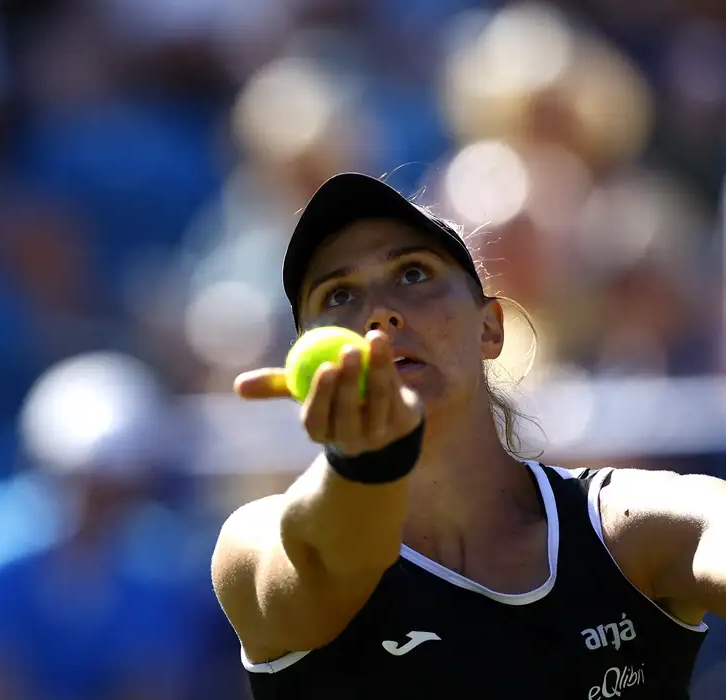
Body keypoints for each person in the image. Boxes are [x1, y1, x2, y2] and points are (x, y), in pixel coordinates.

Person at [210, 172, 726, 698]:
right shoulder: (253, 544)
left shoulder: (635, 528)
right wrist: (368, 461)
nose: (379, 315)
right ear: (304, 357)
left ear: (489, 329)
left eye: (413, 274)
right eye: (339, 294)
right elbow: (326, 571)